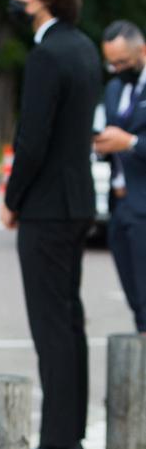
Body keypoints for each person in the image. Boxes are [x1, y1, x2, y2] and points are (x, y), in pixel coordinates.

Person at [2, 0, 102, 449]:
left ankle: (58, 445)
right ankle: (74, 438)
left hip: (45, 208)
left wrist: (12, 199)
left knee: (51, 327)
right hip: (77, 201)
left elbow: (32, 141)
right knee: (70, 321)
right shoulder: (83, 47)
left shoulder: (47, 55)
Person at [96, 20, 146, 335]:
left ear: (142, 51)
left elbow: (128, 138)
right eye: (111, 63)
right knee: (134, 294)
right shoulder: (114, 87)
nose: (116, 69)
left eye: (122, 62)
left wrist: (130, 143)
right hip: (119, 204)